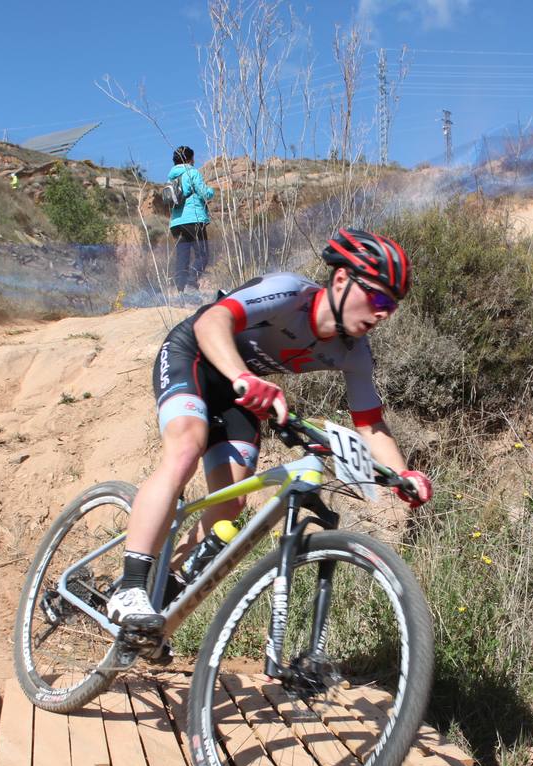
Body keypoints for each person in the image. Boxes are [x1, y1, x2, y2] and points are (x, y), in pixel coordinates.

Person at [106, 228, 434, 638]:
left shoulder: (354, 353)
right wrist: (241, 375)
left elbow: (369, 423)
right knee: (186, 448)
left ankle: (159, 595)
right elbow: (213, 320)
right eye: (379, 298)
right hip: (195, 354)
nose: (384, 312)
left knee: (230, 503)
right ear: (340, 280)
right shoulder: (289, 293)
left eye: (393, 306)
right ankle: (130, 586)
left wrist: (403, 476)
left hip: (241, 388)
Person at [168, 146, 215, 292]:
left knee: (182, 258)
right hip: (193, 219)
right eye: (193, 158)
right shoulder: (192, 172)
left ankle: (180, 290)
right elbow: (204, 193)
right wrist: (211, 191)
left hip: (176, 223)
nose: (194, 161)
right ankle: (191, 282)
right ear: (188, 159)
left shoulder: (171, 177)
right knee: (203, 255)